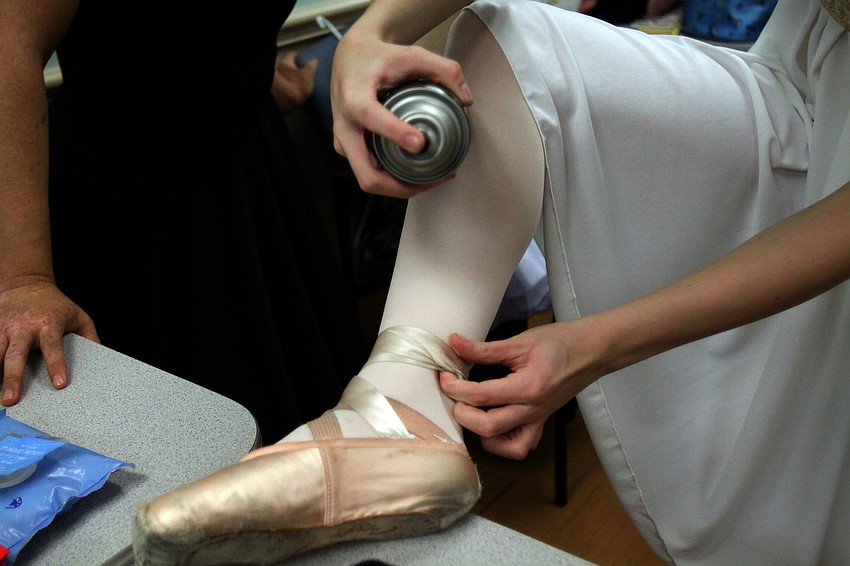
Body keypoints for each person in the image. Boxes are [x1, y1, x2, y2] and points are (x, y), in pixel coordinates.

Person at [131, 0, 850, 564]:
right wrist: (370, 34)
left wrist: (595, 342)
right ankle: (404, 408)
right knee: (508, 42)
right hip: (801, 76)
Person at [0, 2, 366, 444]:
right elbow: (10, 46)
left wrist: (242, 75)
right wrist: (24, 279)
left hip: (250, 191)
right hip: (116, 212)